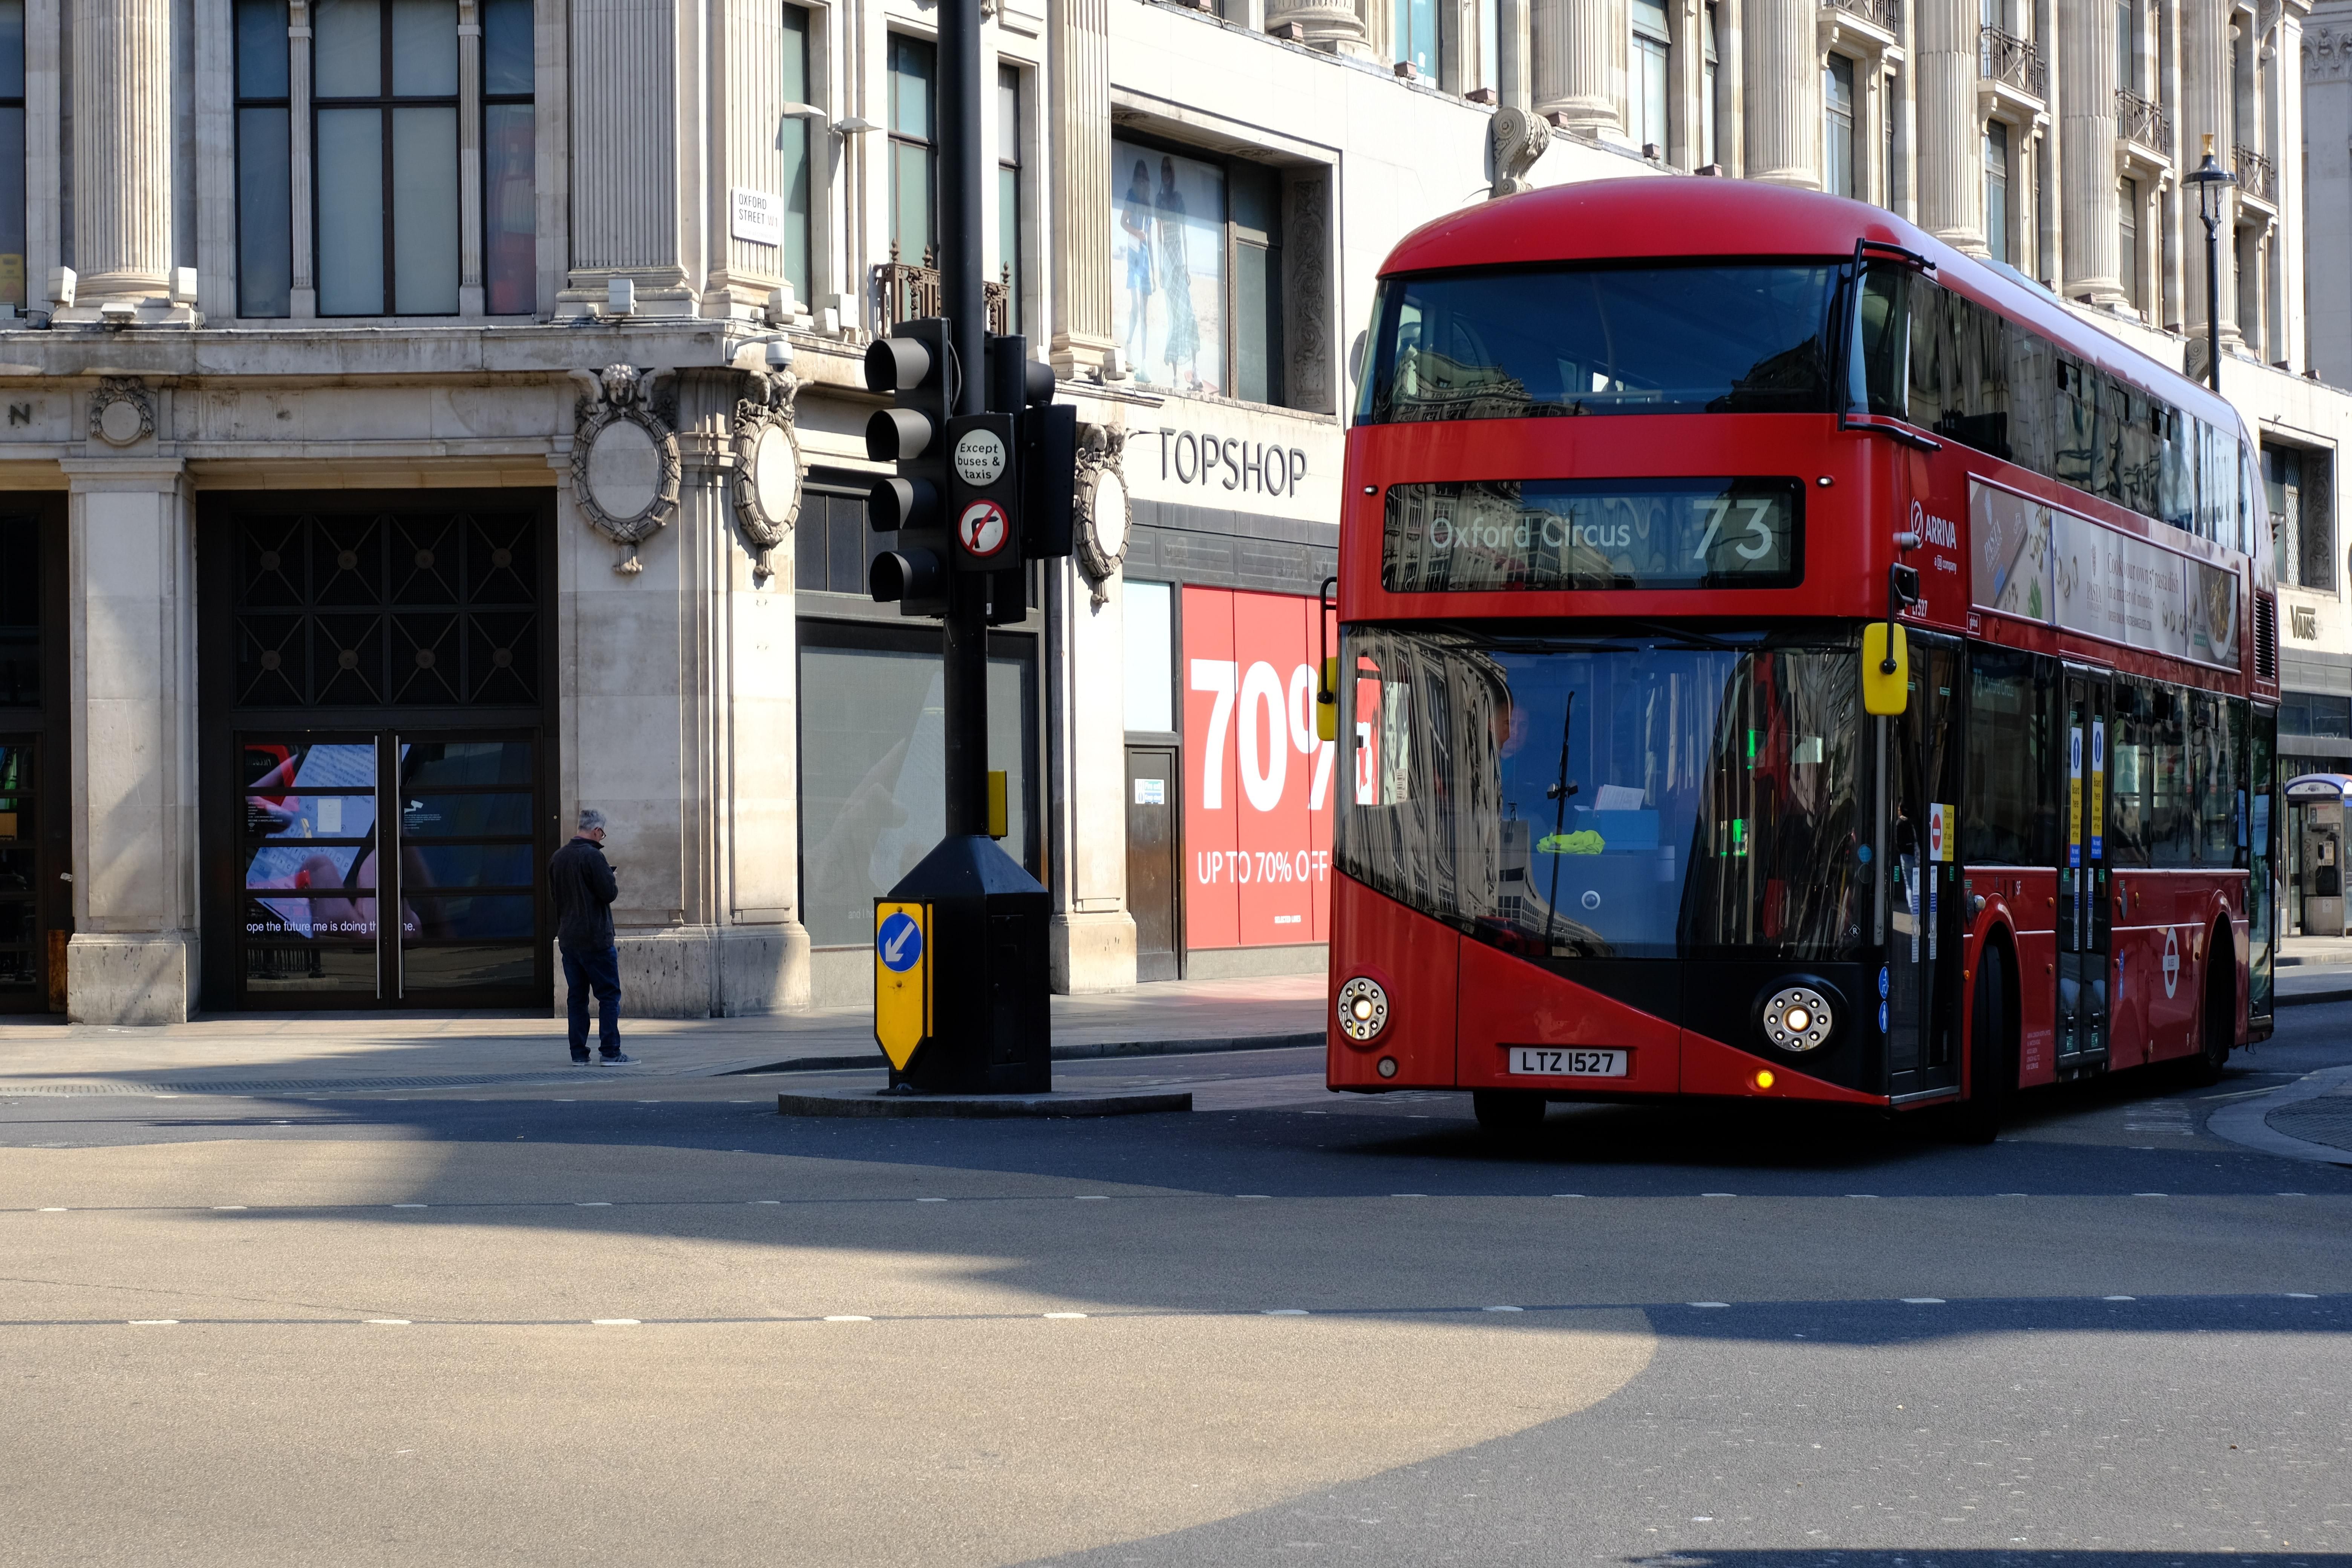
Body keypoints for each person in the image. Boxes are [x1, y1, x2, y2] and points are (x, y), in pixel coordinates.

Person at [550, 808, 630, 1064]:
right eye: (602, 833)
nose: (602, 838)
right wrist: (612, 878)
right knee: (608, 996)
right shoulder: (594, 857)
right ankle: (610, 1051)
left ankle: (578, 1053)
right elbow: (609, 893)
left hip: (569, 939)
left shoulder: (558, 857)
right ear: (597, 831)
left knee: (577, 998)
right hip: (596, 939)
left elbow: (556, 897)